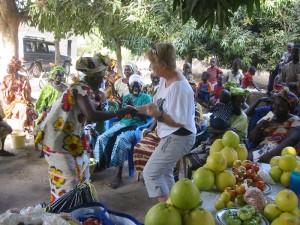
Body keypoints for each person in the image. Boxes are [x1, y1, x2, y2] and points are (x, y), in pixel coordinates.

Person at [33, 53, 137, 203]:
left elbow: (87, 116)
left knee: (82, 172)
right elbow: (92, 115)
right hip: (57, 140)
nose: (104, 80)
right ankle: (65, 212)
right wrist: (120, 112)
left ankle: (79, 207)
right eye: (102, 77)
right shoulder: (80, 89)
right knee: (69, 180)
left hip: (70, 137)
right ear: (94, 78)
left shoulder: (85, 90)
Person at [136, 43, 196, 202]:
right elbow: (155, 106)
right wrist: (135, 109)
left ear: (163, 65)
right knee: (163, 172)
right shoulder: (165, 79)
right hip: (170, 135)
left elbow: (178, 122)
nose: (150, 66)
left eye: (152, 62)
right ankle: (174, 208)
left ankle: (166, 212)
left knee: (151, 173)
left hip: (180, 136)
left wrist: (159, 115)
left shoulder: (179, 88)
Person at [133, 80, 203, 181]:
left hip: (177, 137)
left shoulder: (194, 108)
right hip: (159, 134)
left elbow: (195, 126)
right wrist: (150, 128)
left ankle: (160, 175)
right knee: (139, 147)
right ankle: (151, 173)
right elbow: (158, 116)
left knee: (166, 154)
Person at [93, 74, 152, 189]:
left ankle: (118, 174)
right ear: (129, 87)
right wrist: (125, 109)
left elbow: (148, 116)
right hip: (123, 123)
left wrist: (135, 108)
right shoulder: (126, 97)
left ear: (141, 86)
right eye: (132, 86)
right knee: (102, 137)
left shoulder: (146, 98)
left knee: (121, 140)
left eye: (137, 86)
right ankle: (100, 163)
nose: (135, 88)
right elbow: (125, 114)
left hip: (137, 126)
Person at [187, 87, 249, 172]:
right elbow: (209, 129)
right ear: (231, 101)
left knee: (211, 162)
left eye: (243, 102)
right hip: (216, 141)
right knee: (191, 157)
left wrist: (212, 140)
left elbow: (231, 136)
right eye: (238, 101)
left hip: (234, 147)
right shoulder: (221, 110)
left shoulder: (242, 117)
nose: (241, 104)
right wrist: (223, 131)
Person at [248, 88, 300, 163]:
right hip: (260, 154)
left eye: (281, 106)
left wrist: (269, 156)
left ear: (289, 109)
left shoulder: (295, 121)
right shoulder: (269, 117)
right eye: (275, 104)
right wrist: (259, 127)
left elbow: (291, 140)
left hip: (281, 158)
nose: (276, 108)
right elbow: (252, 140)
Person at [0, 57, 38, 131]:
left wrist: (25, 89)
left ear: (14, 69)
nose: (7, 69)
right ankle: (22, 129)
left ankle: (30, 129)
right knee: (24, 109)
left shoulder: (24, 78)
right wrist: (9, 88)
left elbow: (27, 97)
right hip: (11, 104)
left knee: (31, 111)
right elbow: (4, 97)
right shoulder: (5, 78)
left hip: (22, 101)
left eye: (9, 67)